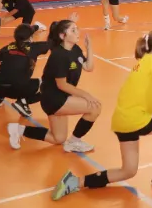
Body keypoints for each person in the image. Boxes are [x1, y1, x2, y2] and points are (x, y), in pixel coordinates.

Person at [51, 30, 152, 201]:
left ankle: (75, 182)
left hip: (122, 121)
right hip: (136, 119)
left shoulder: (143, 62)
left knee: (128, 171)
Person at [6, 19, 100, 153]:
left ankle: (18, 129)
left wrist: (89, 48)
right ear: (62, 36)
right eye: (73, 30)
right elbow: (62, 85)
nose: (77, 32)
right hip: (53, 99)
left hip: (60, 97)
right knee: (95, 108)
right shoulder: (59, 55)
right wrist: (86, 95)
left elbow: (88, 67)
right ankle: (74, 142)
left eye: (77, 29)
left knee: (58, 138)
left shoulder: (75, 49)